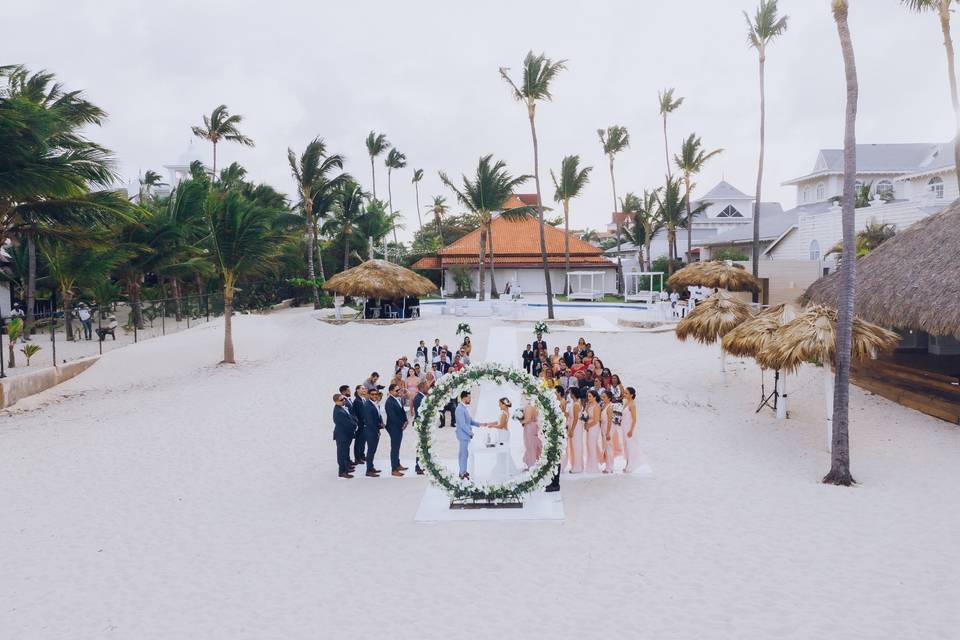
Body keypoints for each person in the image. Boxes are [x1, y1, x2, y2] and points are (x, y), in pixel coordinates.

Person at [455, 390, 481, 479]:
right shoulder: (459, 409)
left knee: (465, 454)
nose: (470, 399)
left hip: (465, 435)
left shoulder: (464, 408)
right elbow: (462, 424)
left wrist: (479, 424)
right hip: (463, 435)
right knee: (463, 454)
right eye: (469, 397)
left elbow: (469, 421)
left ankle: (464, 471)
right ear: (464, 398)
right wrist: (470, 433)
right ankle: (462, 473)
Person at [332, 394, 357, 478]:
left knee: (345, 452)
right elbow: (347, 423)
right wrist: (355, 425)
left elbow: (351, 417)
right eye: (341, 400)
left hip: (346, 434)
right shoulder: (338, 412)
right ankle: (342, 471)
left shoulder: (343, 407)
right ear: (336, 402)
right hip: (342, 435)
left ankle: (346, 468)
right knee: (341, 454)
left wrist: (354, 422)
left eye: (344, 399)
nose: (344, 401)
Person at [385, 383, 408, 476]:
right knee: (394, 448)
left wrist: (406, 420)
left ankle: (397, 464)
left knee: (397, 447)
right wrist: (402, 425)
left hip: (399, 427)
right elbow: (393, 417)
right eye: (396, 390)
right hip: (394, 427)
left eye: (399, 390)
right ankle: (394, 469)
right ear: (390, 391)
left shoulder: (397, 399)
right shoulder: (389, 402)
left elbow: (402, 411)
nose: (399, 391)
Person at [622, 386, 644, 474]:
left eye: (626, 393)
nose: (624, 394)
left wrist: (631, 430)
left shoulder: (632, 405)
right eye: (624, 392)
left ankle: (631, 465)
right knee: (626, 447)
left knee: (631, 446)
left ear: (631, 395)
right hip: (624, 427)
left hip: (629, 428)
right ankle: (627, 464)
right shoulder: (626, 403)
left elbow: (634, 419)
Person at [361, 388, 382, 477]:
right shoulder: (367, 405)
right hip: (371, 431)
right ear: (369, 395)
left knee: (373, 450)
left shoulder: (375, 403)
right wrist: (377, 431)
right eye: (372, 394)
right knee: (370, 450)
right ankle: (368, 470)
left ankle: (371, 467)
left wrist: (381, 423)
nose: (374, 396)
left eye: (376, 394)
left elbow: (378, 415)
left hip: (374, 430)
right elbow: (370, 422)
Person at [411, 382, 428, 475]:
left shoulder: (421, 397)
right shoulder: (419, 398)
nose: (428, 388)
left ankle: (421, 465)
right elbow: (422, 412)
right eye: (426, 387)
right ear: (421, 388)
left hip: (421, 423)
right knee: (420, 445)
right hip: (420, 424)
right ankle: (418, 466)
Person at [521, 400, 542, 470]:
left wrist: (521, 421)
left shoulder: (529, 407)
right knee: (533, 445)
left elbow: (528, 419)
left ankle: (531, 465)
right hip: (534, 427)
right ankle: (534, 463)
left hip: (529, 427)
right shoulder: (535, 406)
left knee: (530, 446)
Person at [567, 387, 584, 474]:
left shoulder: (576, 404)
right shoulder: (574, 403)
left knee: (576, 446)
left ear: (573, 394)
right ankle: (577, 465)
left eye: (570, 393)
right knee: (574, 446)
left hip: (576, 427)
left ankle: (577, 467)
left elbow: (576, 418)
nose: (569, 394)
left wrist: (572, 430)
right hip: (573, 425)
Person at [584, 390, 601, 473]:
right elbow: (585, 414)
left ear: (595, 397)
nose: (588, 398)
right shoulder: (589, 404)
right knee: (588, 445)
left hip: (594, 427)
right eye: (588, 396)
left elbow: (596, 420)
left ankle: (594, 466)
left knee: (592, 445)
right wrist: (587, 406)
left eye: (590, 396)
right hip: (589, 425)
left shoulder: (597, 406)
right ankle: (589, 465)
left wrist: (588, 426)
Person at [600, 390, 616, 474]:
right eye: (602, 397)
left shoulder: (609, 407)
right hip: (603, 426)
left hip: (608, 427)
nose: (602, 398)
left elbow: (610, 421)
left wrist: (608, 432)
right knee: (606, 447)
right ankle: (607, 466)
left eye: (604, 397)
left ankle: (610, 467)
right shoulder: (604, 405)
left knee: (609, 447)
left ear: (609, 398)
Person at [351, 385, 366, 464]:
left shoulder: (363, 399)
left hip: (364, 425)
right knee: (359, 441)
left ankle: (362, 455)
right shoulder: (357, 401)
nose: (364, 390)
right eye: (362, 389)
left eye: (364, 389)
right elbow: (360, 414)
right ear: (357, 390)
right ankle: (357, 458)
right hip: (360, 425)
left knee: (363, 441)